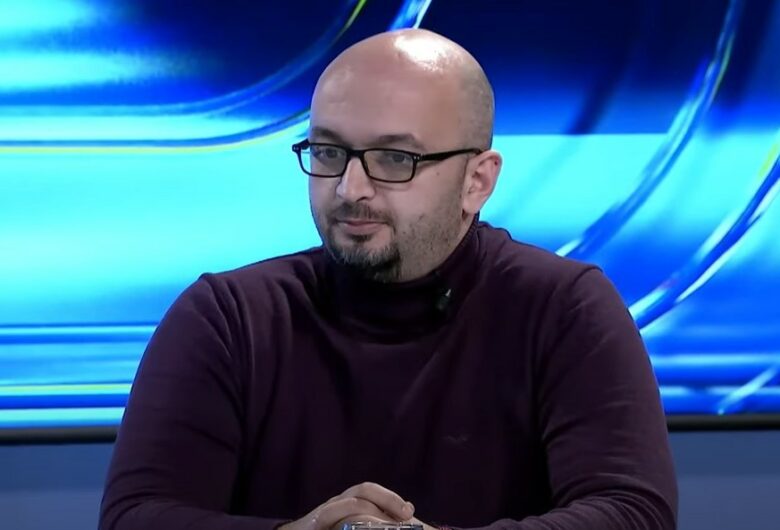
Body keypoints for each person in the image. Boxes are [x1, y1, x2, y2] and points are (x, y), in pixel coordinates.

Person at [99, 29, 677, 530]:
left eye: (395, 159)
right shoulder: (227, 318)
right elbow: (136, 517)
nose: (350, 189)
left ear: (477, 181)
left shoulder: (563, 307)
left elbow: (633, 513)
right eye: (328, 152)